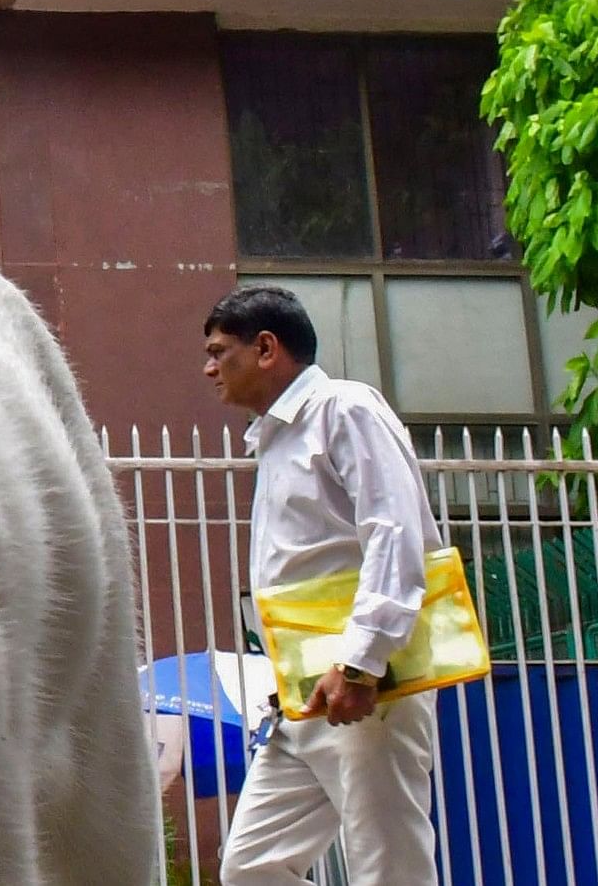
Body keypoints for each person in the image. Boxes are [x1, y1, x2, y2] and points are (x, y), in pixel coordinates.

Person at [204, 286, 443, 886]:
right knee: (250, 870)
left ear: (266, 348)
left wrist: (362, 664)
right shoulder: (276, 437)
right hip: (306, 690)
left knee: (389, 866)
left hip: (369, 681)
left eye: (217, 351)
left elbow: (394, 532)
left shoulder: (344, 408)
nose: (208, 368)